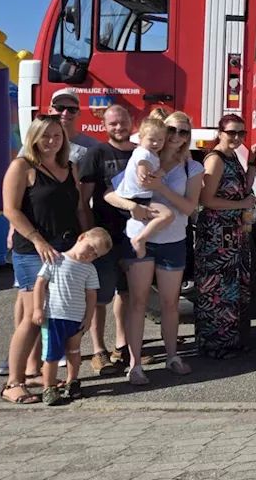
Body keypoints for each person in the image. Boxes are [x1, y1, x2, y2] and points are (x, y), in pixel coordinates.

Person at [105, 111, 204, 383]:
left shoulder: (191, 167)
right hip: (141, 240)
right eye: (172, 130)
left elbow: (188, 207)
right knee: (137, 303)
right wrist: (133, 206)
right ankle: (135, 365)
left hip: (173, 241)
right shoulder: (145, 156)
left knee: (170, 304)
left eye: (184, 132)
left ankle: (173, 356)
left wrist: (162, 186)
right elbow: (113, 194)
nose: (177, 137)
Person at [0, 116, 87, 404]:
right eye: (46, 135)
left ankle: (35, 372)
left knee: (55, 315)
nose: (52, 141)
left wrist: (87, 236)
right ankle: (13, 383)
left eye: (57, 136)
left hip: (67, 251)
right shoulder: (22, 167)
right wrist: (38, 240)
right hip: (32, 253)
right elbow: (11, 211)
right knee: (33, 317)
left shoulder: (69, 168)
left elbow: (79, 208)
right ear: (34, 137)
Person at [74, 104, 134, 377]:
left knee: (127, 293)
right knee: (99, 297)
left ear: (131, 122)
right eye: (113, 124)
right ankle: (99, 351)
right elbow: (82, 200)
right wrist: (91, 234)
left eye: (123, 122)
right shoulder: (96, 154)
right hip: (104, 238)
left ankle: (121, 346)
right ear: (105, 126)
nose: (119, 127)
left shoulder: (139, 153)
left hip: (133, 235)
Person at [195, 114, 256, 360]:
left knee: (234, 284)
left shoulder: (234, 156)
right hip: (216, 232)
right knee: (218, 289)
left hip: (232, 231)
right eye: (231, 132)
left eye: (240, 133)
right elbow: (206, 200)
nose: (236, 137)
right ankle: (215, 345)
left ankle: (232, 340)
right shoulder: (215, 159)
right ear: (219, 133)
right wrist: (242, 203)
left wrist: (252, 163)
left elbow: (243, 188)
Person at [32, 228, 110, 405]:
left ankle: (72, 381)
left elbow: (92, 296)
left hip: (76, 319)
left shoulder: (89, 270)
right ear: (81, 237)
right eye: (90, 248)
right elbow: (40, 284)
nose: (90, 254)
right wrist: (38, 309)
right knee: (51, 355)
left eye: (96, 255)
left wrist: (88, 318)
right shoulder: (55, 259)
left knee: (74, 352)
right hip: (54, 317)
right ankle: (49, 387)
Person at [111, 117, 176, 260]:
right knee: (167, 215)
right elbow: (144, 179)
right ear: (140, 138)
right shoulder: (144, 154)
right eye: (151, 139)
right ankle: (140, 239)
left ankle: (141, 238)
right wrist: (157, 174)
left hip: (135, 196)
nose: (156, 143)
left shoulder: (148, 153)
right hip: (136, 197)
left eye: (160, 140)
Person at [45, 88, 101, 163]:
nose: (65, 113)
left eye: (72, 109)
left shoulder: (92, 146)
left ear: (79, 113)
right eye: (59, 108)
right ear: (50, 111)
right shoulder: (36, 143)